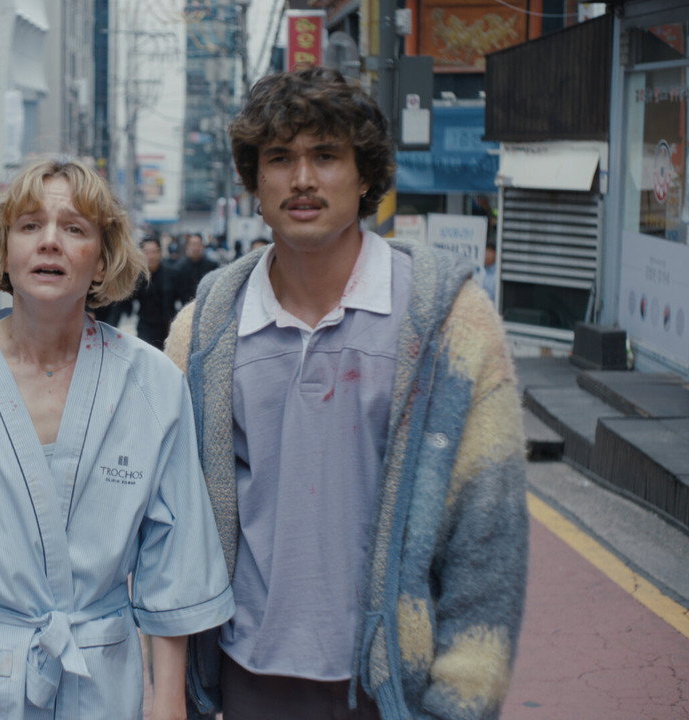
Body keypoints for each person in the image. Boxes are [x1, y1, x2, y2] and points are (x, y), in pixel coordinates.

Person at [165, 67, 529, 720]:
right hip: (251, 675)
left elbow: (488, 533)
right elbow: (171, 527)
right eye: (280, 158)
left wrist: (463, 699)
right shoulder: (204, 333)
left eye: (327, 156)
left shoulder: (449, 322)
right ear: (254, 182)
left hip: (396, 685)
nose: (303, 179)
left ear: (365, 177)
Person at [0, 156, 234, 720]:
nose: (50, 242)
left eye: (74, 228)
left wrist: (167, 702)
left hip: (102, 682)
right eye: (30, 225)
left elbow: (174, 554)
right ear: (4, 249)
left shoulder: (152, 382)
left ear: (102, 258)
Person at [131, 236, 177, 347]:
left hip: (168, 326)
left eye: (154, 252)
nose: (151, 256)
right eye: (146, 252)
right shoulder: (136, 276)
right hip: (145, 325)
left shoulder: (172, 273)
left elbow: (182, 297)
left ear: (160, 253)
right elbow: (125, 301)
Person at [172, 232, 218, 307]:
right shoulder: (179, 267)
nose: (195, 248)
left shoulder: (212, 266)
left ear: (203, 246)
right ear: (187, 246)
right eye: (193, 245)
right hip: (185, 306)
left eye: (198, 244)